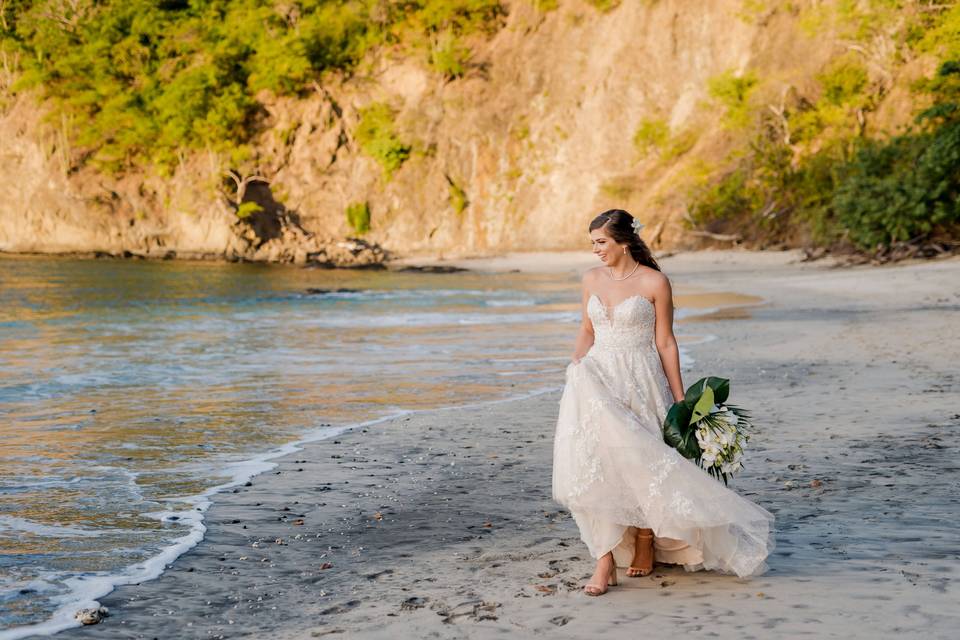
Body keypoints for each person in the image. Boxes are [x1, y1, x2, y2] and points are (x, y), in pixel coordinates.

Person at [551, 209, 775, 596]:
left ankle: (643, 539)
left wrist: (679, 398)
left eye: (601, 242)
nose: (596, 251)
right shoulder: (591, 279)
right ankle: (604, 561)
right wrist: (574, 366)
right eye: (593, 244)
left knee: (641, 461)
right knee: (598, 463)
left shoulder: (655, 282)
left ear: (624, 240)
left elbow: (666, 342)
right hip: (596, 379)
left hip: (641, 378)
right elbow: (587, 330)